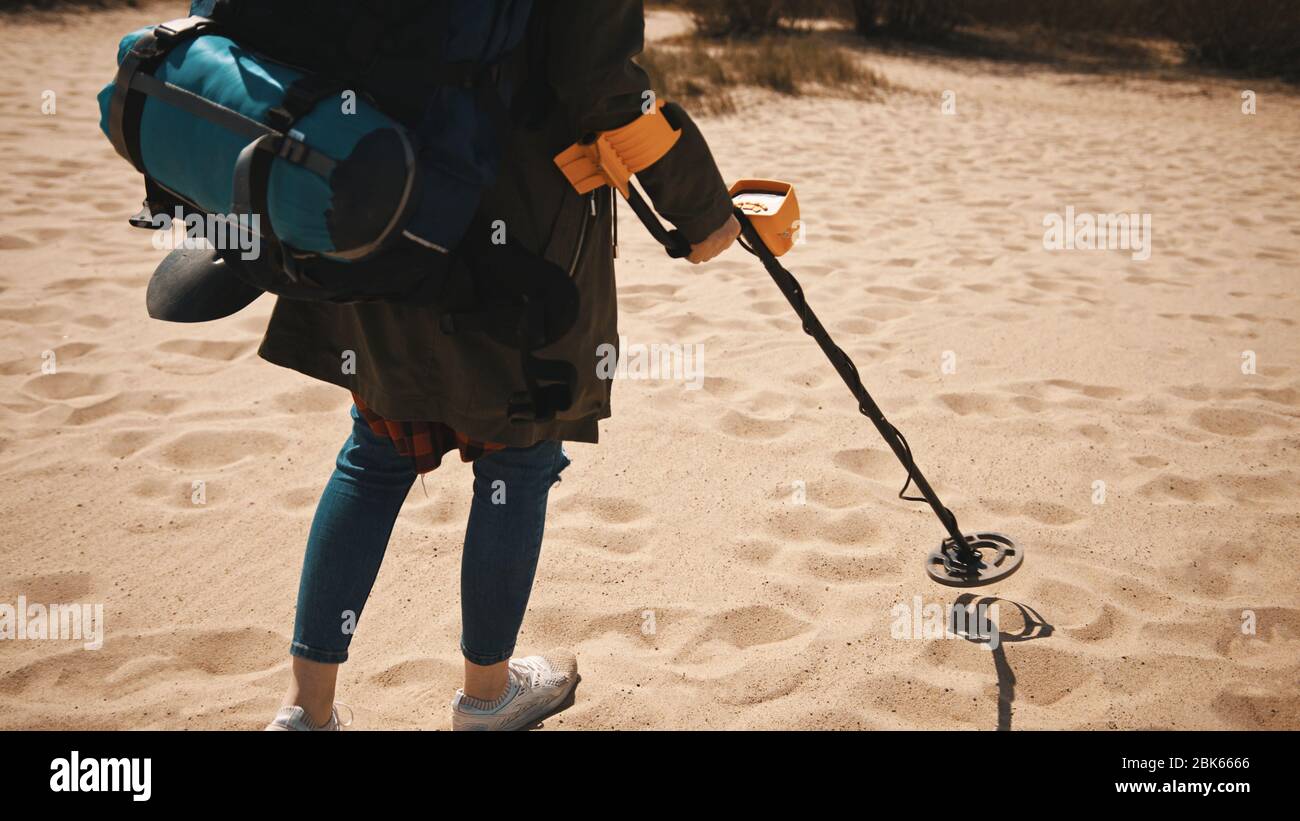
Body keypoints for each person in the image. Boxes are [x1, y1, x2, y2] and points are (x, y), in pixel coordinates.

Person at [255, 0, 740, 731]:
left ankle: (305, 707)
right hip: (515, 236)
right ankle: (487, 694)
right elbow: (603, 85)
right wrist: (703, 209)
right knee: (518, 457)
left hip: (374, 197)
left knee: (377, 447)